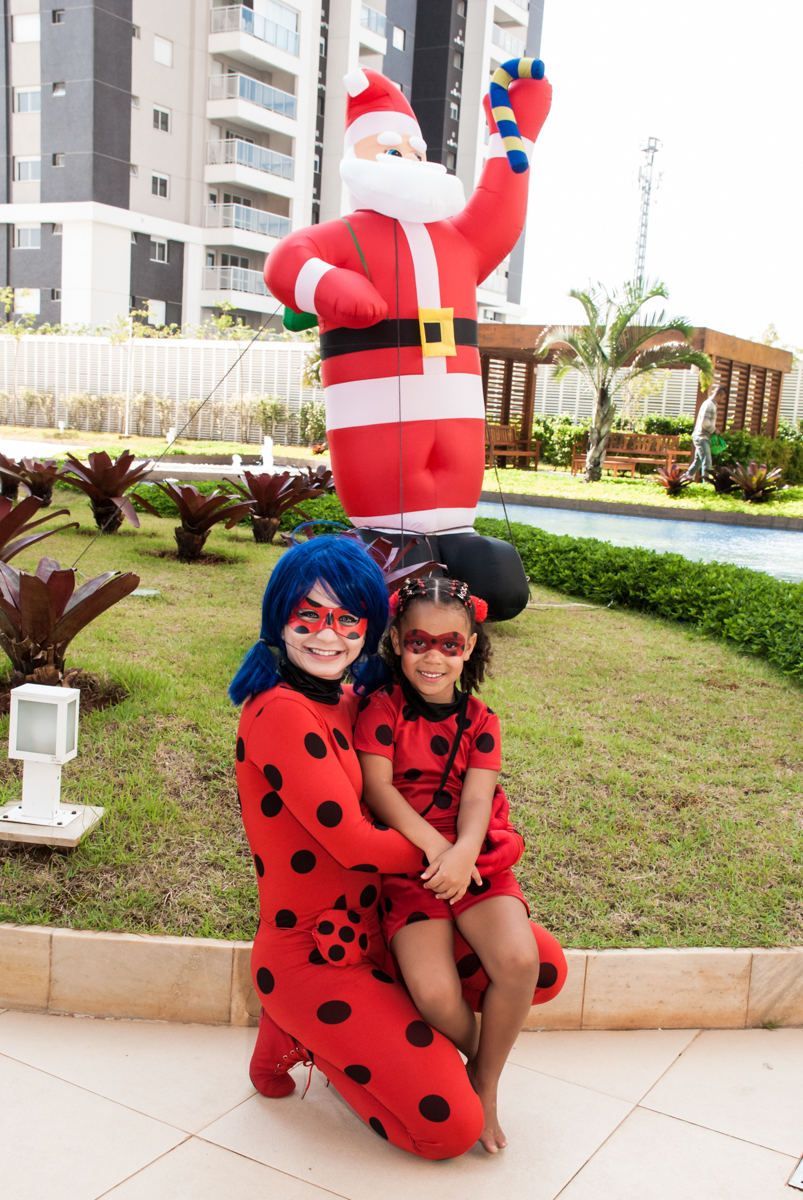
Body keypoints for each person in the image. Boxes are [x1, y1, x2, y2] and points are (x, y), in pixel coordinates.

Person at [230, 536, 566, 1161]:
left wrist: (486, 835)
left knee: (537, 963)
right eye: (309, 615)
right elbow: (358, 843)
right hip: (315, 956)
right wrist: (465, 855)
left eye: (347, 618)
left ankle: (320, 1036)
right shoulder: (281, 712)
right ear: (278, 615)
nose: (328, 635)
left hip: (376, 926)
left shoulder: (351, 699)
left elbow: (449, 763)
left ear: (370, 626)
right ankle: (321, 1044)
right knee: (448, 1130)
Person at [264, 67, 553, 621]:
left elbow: (501, 211)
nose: (410, 163)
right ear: (359, 160)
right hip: (379, 482)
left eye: (415, 152)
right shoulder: (347, 236)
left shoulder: (457, 242)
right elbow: (286, 262)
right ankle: (388, 562)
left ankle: (449, 553)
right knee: (393, 575)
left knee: (503, 586)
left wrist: (512, 135)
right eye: (392, 150)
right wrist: (331, 284)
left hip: (458, 479)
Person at [354, 574, 565, 1154]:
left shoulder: (483, 721)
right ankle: (476, 1058)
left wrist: (463, 853)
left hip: (474, 860)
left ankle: (486, 1085)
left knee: (520, 961)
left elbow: (477, 799)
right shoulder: (381, 711)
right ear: (397, 640)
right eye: (419, 640)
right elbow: (380, 792)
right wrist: (435, 853)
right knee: (435, 995)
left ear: (469, 648)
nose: (433, 655)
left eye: (450, 644)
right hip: (412, 864)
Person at [683, 386, 724, 481]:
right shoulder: (709, 404)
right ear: (720, 395)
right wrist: (714, 430)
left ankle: (685, 479)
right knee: (707, 460)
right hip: (701, 437)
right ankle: (706, 483)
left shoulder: (711, 404)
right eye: (723, 397)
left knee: (698, 462)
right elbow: (704, 421)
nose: (723, 400)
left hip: (702, 436)